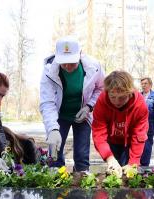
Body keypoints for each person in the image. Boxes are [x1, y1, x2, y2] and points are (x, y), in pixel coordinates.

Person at [39, 36, 104, 172]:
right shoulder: (49, 71)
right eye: (64, 63)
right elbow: (47, 102)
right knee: (55, 153)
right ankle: (55, 181)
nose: (68, 67)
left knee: (81, 154)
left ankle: (81, 180)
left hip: (82, 114)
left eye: (72, 63)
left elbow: (101, 88)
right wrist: (52, 129)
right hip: (59, 116)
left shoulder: (94, 67)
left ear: (79, 55)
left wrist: (89, 106)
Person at [92, 71, 149, 177]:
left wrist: (133, 163)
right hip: (111, 140)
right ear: (107, 92)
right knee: (113, 170)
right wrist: (109, 158)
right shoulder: (101, 101)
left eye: (122, 97)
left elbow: (139, 136)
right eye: (113, 97)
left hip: (130, 142)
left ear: (130, 92)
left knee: (128, 173)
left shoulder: (140, 106)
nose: (117, 102)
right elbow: (99, 133)